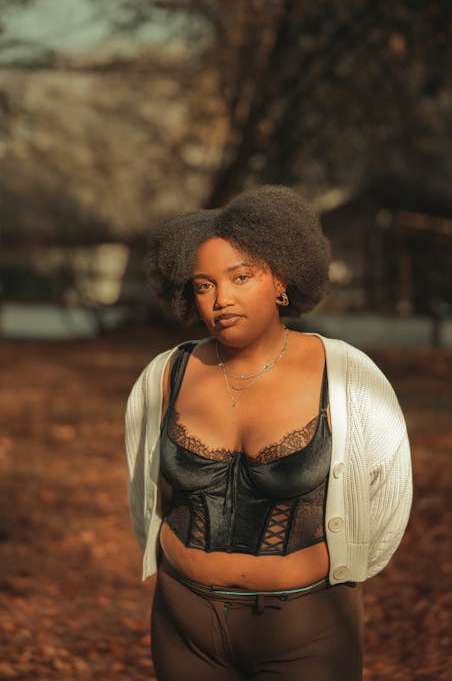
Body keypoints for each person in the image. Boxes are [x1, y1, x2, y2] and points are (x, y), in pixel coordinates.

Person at [125, 185, 412, 681]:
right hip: (183, 623)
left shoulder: (345, 375)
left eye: (241, 276)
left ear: (281, 279)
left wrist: (342, 564)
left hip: (306, 628)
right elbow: (143, 489)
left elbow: (388, 493)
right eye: (204, 284)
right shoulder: (165, 375)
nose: (222, 299)